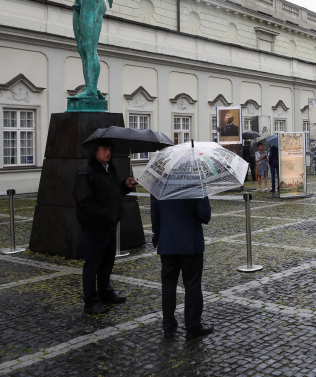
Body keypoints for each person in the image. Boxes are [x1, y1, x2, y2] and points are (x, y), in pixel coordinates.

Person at [73, 139, 136, 315]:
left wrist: (125, 185)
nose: (108, 153)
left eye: (109, 150)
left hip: (109, 225)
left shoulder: (110, 170)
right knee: (93, 265)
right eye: (104, 149)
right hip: (95, 227)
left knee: (107, 262)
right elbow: (84, 201)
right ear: (95, 151)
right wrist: (103, 216)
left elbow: (113, 192)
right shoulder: (86, 173)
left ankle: (105, 292)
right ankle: (91, 302)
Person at [151, 194, 213, 340]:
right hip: (190, 241)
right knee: (192, 286)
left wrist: (157, 237)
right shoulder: (194, 180)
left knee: (168, 286)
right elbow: (204, 215)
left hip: (167, 241)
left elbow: (155, 213)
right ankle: (192, 327)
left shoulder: (159, 181)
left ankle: (168, 327)